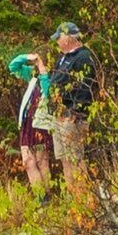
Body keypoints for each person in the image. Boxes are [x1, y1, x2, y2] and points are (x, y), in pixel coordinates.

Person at [45, 23, 96, 187]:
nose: (57, 42)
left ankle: (84, 198)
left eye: (59, 38)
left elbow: (85, 87)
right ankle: (73, 200)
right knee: (65, 160)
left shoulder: (83, 57)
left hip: (72, 117)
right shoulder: (62, 58)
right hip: (59, 116)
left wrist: (76, 112)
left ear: (68, 38)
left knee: (76, 158)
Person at [6, 51, 53, 189]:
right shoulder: (33, 75)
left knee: (42, 162)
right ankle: (40, 197)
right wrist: (26, 57)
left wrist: (42, 68)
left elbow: (48, 91)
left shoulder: (51, 77)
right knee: (28, 162)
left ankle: (47, 197)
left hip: (41, 125)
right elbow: (12, 67)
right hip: (27, 124)